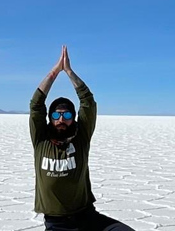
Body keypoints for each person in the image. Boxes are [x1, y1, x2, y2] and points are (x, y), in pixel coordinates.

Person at [30, 45, 134, 231]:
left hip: (86, 216)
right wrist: (55, 72)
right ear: (50, 118)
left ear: (74, 118)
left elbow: (88, 102)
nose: (61, 119)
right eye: (56, 115)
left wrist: (69, 72)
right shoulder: (40, 139)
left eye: (67, 115)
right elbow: (36, 104)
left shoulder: (81, 137)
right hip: (57, 223)